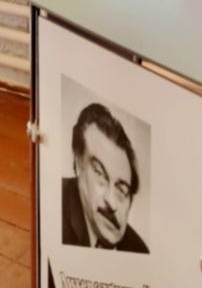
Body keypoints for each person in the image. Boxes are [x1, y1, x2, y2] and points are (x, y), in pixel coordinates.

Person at [62, 102, 148, 253]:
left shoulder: (138, 249)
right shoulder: (54, 211)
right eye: (100, 173)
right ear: (78, 164)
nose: (111, 202)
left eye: (122, 190)